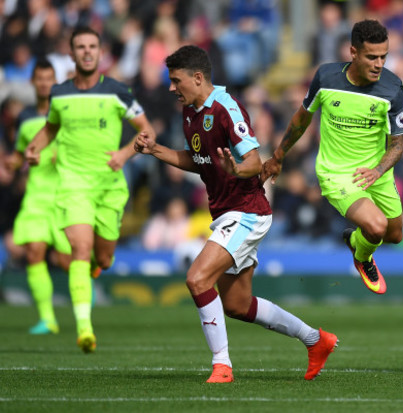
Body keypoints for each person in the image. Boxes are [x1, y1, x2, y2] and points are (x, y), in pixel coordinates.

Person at [134, 45, 338, 383]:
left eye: (176, 80)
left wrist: (236, 169)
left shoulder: (227, 109)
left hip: (246, 212)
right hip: (226, 213)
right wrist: (155, 149)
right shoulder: (190, 112)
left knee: (197, 278)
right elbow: (196, 160)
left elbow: (255, 163)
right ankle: (316, 340)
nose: (172, 88)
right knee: (238, 305)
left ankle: (222, 365)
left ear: (197, 78)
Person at [25, 26, 156, 353]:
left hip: (109, 187)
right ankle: (85, 330)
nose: (86, 51)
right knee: (79, 251)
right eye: (80, 46)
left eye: (92, 46)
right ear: (71, 54)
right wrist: (35, 147)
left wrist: (125, 154)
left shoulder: (118, 91)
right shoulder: (60, 93)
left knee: (105, 258)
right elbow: (50, 127)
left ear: (100, 53)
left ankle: (99, 266)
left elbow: (147, 130)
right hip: (73, 185)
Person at [262, 19, 403, 294]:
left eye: (383, 57)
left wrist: (377, 171)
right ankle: (362, 257)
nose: (379, 64)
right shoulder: (327, 78)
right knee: (376, 228)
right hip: (337, 172)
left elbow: (397, 146)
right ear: (353, 52)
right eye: (372, 57)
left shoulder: (393, 89)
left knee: (395, 235)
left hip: (377, 172)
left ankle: (355, 242)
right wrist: (278, 155)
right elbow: (302, 118)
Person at [6, 58, 71, 335]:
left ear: (55, 81)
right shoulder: (24, 117)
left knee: (67, 260)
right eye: (40, 78)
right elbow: (20, 153)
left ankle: (87, 284)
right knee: (34, 253)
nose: (44, 83)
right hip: (36, 194)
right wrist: (13, 164)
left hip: (64, 193)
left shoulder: (66, 112)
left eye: (49, 78)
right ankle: (47, 318)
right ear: (33, 82)